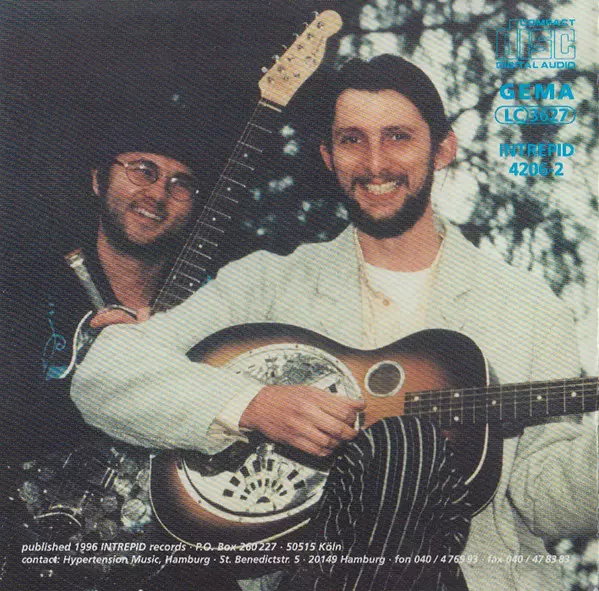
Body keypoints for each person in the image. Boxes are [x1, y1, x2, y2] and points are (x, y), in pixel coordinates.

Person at [71, 56, 597, 590]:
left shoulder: (528, 306)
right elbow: (106, 372)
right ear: (328, 156)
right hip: (309, 575)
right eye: (352, 140)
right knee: (400, 448)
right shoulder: (266, 283)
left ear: (443, 149)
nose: (375, 163)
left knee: (404, 448)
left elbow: (542, 500)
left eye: (398, 137)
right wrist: (254, 405)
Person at [0, 108, 244, 591]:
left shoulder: (219, 313)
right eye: (142, 170)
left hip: (164, 559)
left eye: (181, 184)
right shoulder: (23, 284)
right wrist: (96, 369)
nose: (158, 194)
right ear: (99, 180)